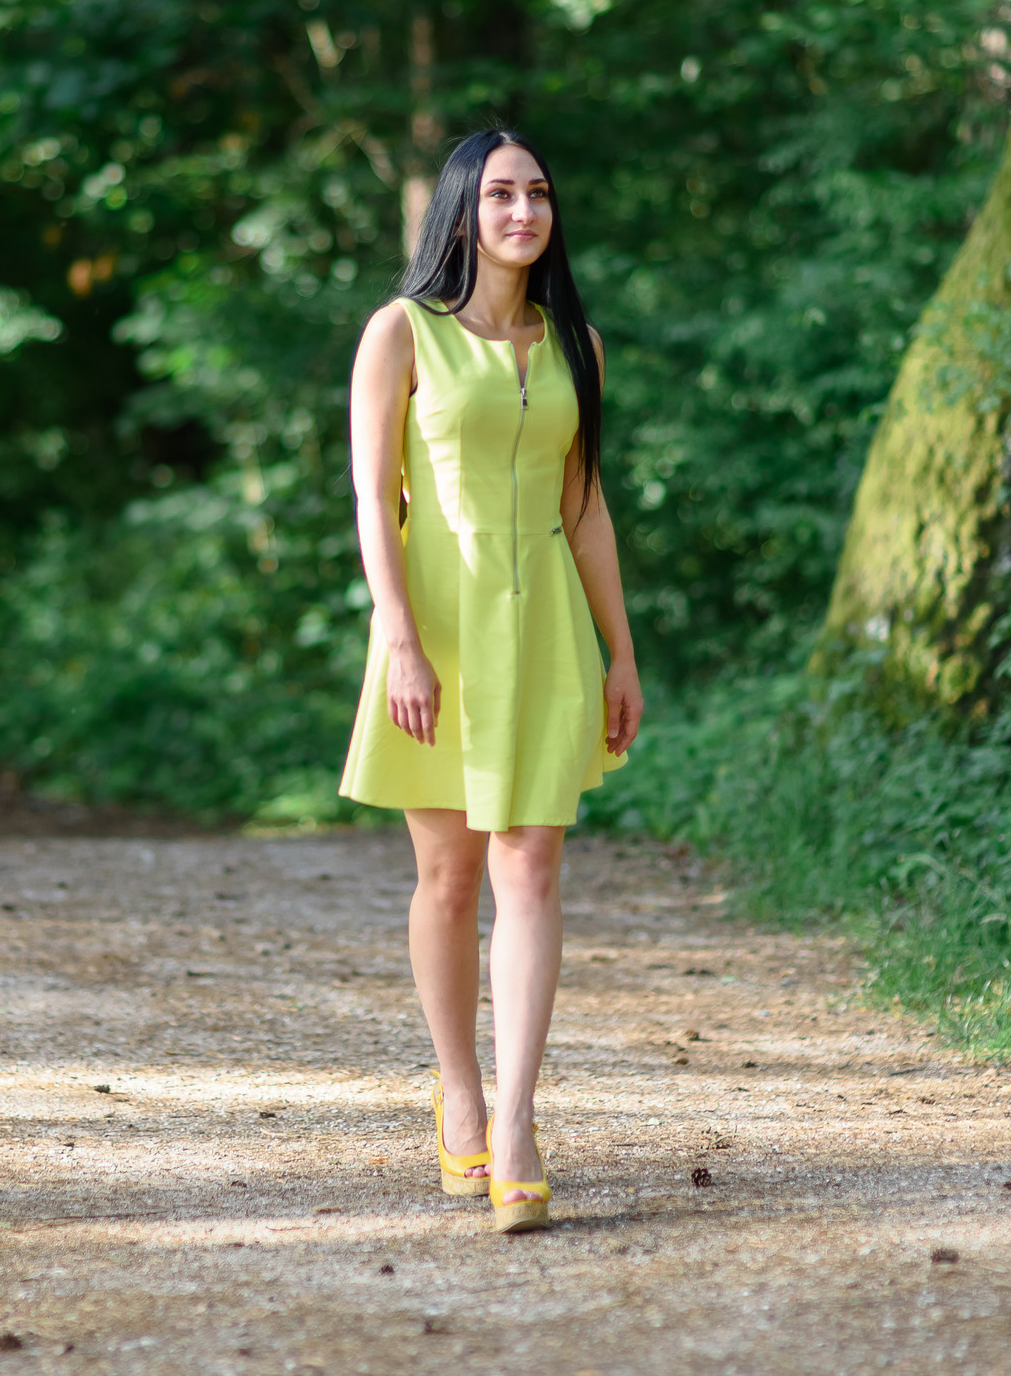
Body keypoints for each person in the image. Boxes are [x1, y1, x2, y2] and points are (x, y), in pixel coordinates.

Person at [339, 129, 645, 1234]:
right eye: (502, 193)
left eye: (539, 193)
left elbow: (586, 508)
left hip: (545, 620)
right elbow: (374, 497)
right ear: (463, 209)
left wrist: (620, 650)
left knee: (532, 864)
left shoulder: (577, 345)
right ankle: (458, 1092)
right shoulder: (401, 331)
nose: (524, 210)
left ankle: (515, 1121)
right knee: (449, 876)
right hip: (438, 620)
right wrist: (400, 638)